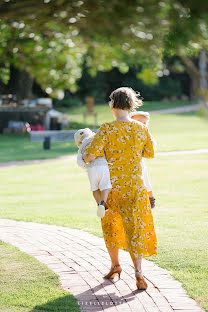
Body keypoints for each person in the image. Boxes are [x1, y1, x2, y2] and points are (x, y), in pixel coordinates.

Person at [83, 87, 157, 290]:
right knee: (136, 229)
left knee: (111, 227)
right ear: (132, 105)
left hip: (111, 187)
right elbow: (149, 153)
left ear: (113, 104)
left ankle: (115, 266)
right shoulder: (141, 128)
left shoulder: (107, 129)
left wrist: (85, 158)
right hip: (135, 186)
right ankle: (139, 272)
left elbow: (89, 154)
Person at [74, 128, 112, 218]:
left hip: (91, 168)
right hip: (102, 164)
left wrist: (86, 167)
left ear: (79, 143)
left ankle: (99, 204)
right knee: (106, 187)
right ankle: (103, 202)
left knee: (95, 189)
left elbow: (79, 161)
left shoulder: (81, 148)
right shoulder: (96, 139)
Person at [129, 111, 156, 209]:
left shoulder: (146, 135)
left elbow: (151, 150)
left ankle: (150, 199)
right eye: (138, 122)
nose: (141, 125)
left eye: (144, 123)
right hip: (125, 164)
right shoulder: (127, 134)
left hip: (139, 163)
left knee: (145, 181)